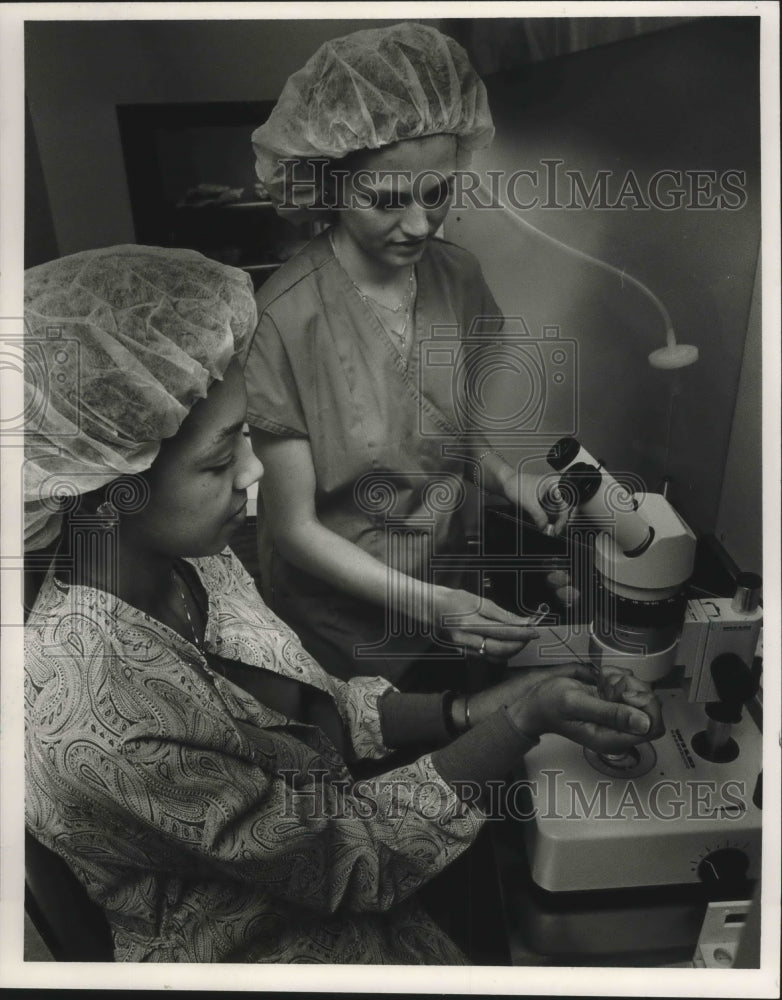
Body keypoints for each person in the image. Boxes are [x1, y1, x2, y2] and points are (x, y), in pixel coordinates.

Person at [25, 245, 663, 965]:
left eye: (245, 437)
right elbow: (351, 856)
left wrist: (468, 711)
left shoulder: (189, 563)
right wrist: (522, 720)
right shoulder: (103, 718)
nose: (254, 472)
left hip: (337, 854)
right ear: (109, 487)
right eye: (219, 458)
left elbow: (309, 712)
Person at [244, 22, 564, 687]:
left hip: (450, 574)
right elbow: (296, 529)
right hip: (346, 622)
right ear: (331, 187)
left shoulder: (458, 277)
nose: (420, 225)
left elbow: (447, 429)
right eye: (386, 201)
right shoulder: (284, 317)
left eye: (437, 193)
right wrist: (431, 608)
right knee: (382, 761)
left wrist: (512, 482)